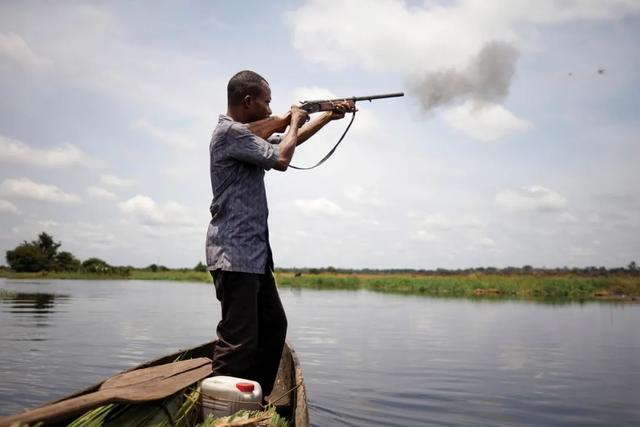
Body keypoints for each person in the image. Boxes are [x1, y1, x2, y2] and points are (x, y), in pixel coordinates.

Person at [205, 70, 351, 396]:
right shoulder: (229, 133)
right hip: (234, 253)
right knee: (239, 340)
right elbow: (282, 158)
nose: (271, 109)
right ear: (247, 101)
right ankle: (217, 410)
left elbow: (287, 142)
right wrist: (292, 119)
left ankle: (255, 398)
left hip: (254, 255)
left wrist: (327, 117)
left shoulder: (246, 137)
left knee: (273, 325)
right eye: (266, 102)